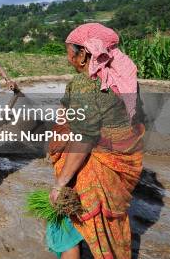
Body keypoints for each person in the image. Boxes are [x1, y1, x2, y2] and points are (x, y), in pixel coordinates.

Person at [47, 23, 145, 259]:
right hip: (114, 172)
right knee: (106, 227)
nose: (68, 57)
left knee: (66, 225)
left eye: (70, 52)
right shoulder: (121, 78)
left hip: (91, 170)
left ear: (83, 55)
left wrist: (60, 184)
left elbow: (83, 138)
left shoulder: (86, 84)